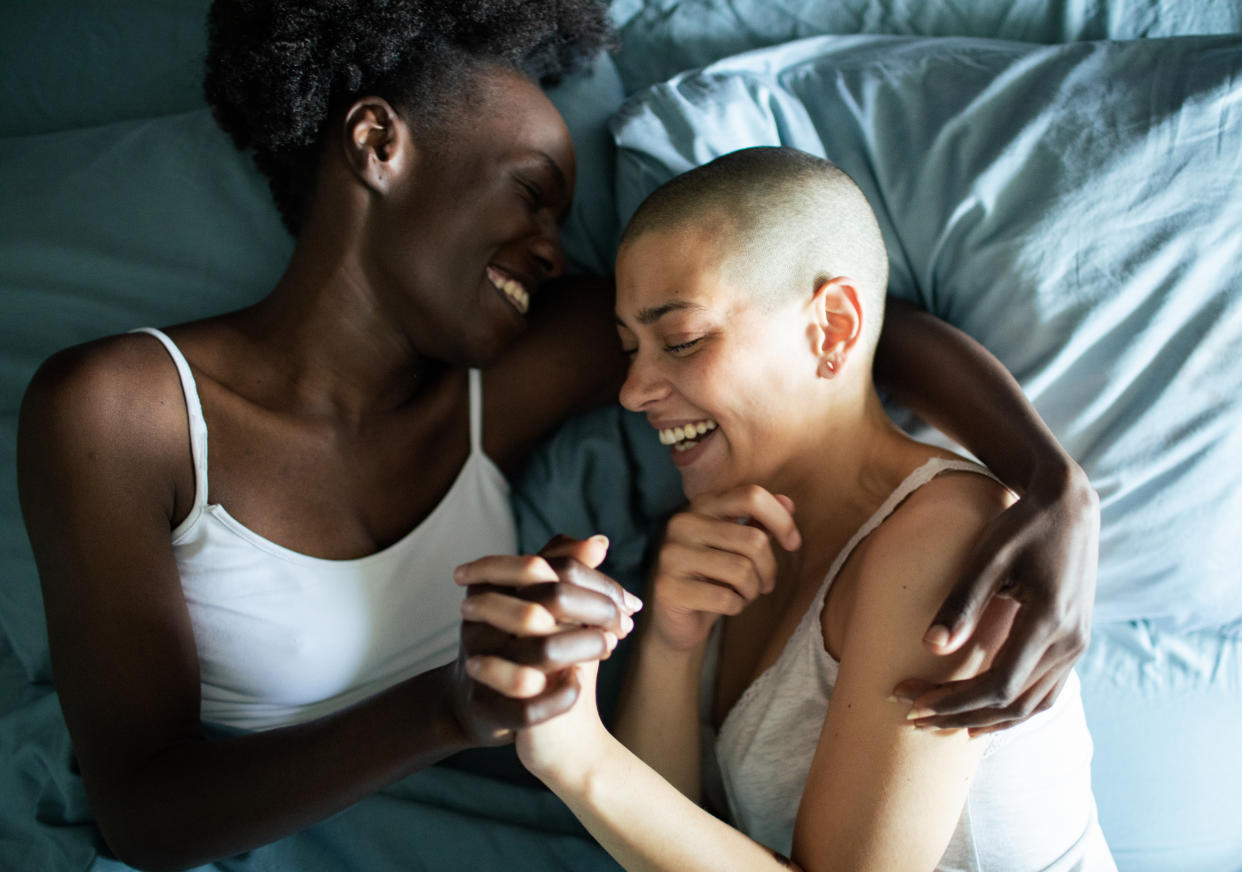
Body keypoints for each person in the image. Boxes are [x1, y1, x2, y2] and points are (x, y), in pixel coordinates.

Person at [14, 1, 1095, 868]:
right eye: (532, 196)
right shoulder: (119, 407)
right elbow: (144, 813)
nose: (549, 252)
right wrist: (460, 702)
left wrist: (1052, 483)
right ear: (378, 143)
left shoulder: (524, 368)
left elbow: (849, 331)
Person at [460, 147, 1115, 871]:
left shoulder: (943, 536)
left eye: (682, 341)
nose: (634, 390)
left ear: (832, 330)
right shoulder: (736, 535)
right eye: (629, 349)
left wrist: (576, 755)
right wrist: (673, 645)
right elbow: (660, 836)